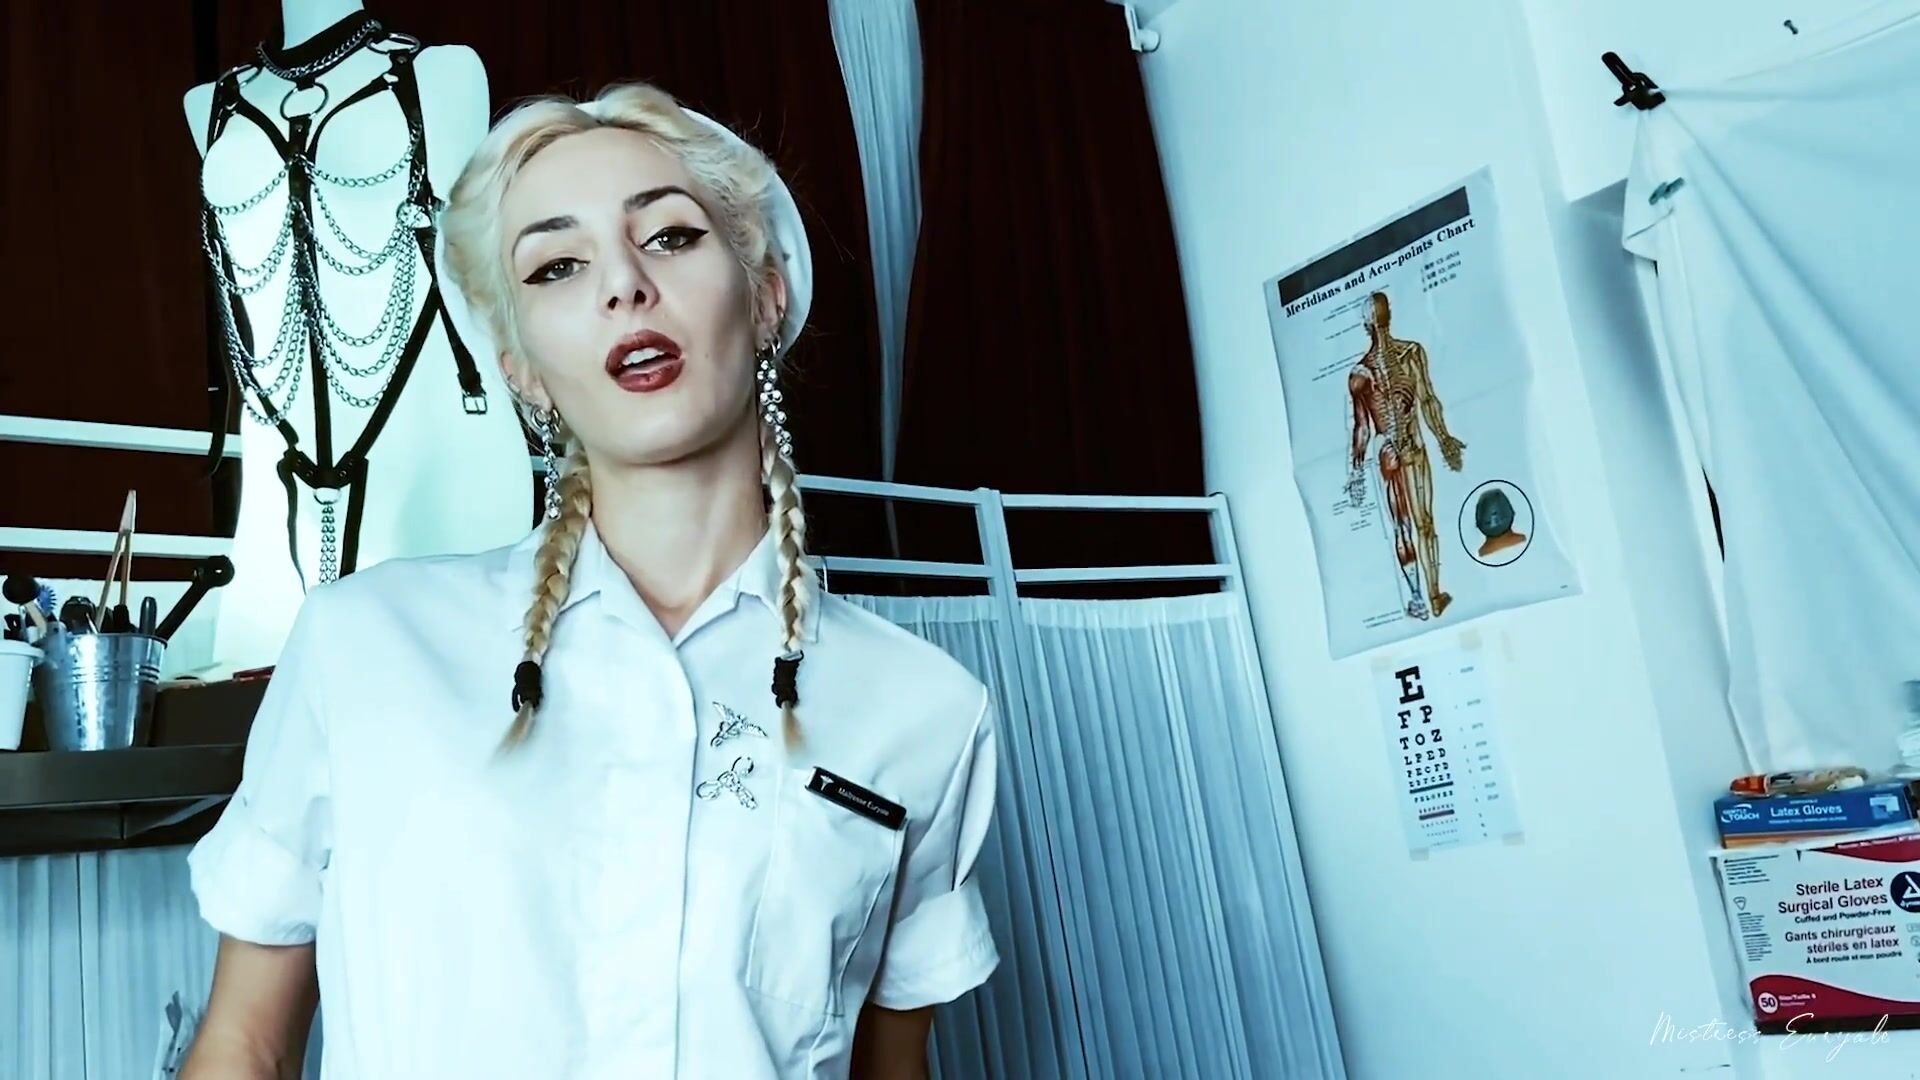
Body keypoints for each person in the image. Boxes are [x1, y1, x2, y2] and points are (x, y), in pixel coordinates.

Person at [181, 81, 1001, 1080]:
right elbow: (244, 1044)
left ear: (767, 294)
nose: (623, 285)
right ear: (520, 366)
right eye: (558, 265)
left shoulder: (925, 710)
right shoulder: (363, 645)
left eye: (670, 237)